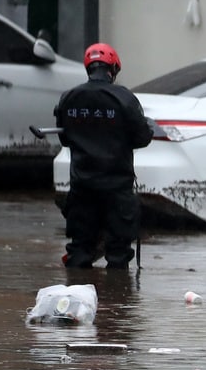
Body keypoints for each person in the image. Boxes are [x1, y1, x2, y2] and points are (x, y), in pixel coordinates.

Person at [55, 42, 153, 269]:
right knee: (118, 254)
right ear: (113, 69)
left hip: (82, 188)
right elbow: (142, 137)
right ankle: (118, 301)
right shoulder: (124, 98)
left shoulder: (69, 98)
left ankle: (74, 299)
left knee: (79, 251)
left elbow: (65, 138)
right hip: (117, 189)